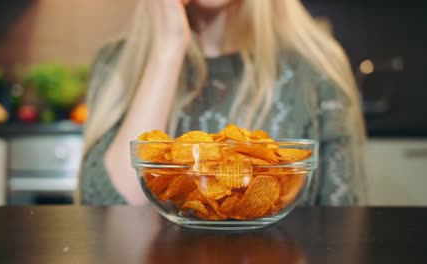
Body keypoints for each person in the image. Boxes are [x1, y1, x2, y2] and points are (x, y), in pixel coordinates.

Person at [77, 0, 367, 206]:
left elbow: (345, 224)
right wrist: (167, 48)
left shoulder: (317, 67)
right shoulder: (115, 63)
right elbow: (106, 211)